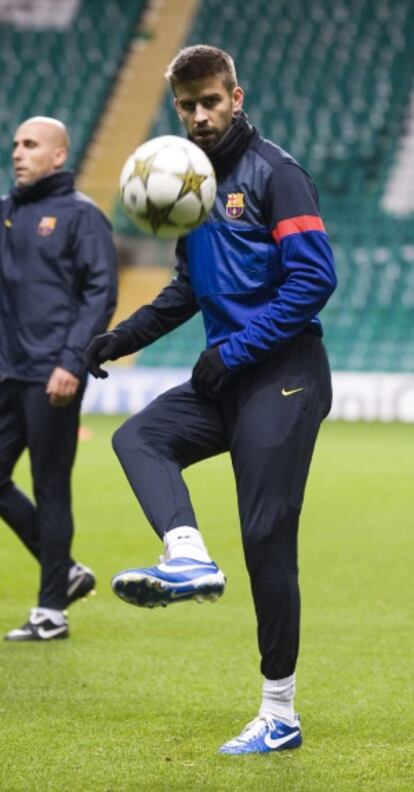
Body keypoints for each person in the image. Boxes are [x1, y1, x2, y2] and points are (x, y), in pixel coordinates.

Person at [85, 45, 336, 754]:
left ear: (236, 96)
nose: (199, 116)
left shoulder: (275, 175)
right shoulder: (188, 183)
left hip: (283, 374)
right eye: (187, 106)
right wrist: (116, 338)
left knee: (265, 538)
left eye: (210, 102)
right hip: (227, 374)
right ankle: (188, 554)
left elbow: (314, 279)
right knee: (138, 437)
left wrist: (236, 349)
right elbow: (189, 291)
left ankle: (279, 713)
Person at [0, 116, 117, 642]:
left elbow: (100, 293)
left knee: (51, 488)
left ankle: (51, 611)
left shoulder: (81, 217)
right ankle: (64, 570)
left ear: (58, 156)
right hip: (7, 369)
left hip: (53, 374)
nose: (18, 153)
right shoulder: (5, 213)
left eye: (30, 145)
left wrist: (73, 361)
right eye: (16, 145)